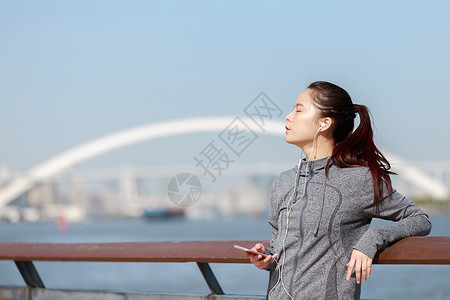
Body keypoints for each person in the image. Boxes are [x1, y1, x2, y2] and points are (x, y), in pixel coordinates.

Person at [244, 81, 432, 299]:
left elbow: (420, 219)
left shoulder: (358, 179)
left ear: (324, 124)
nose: (288, 116)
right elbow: (283, 250)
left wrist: (374, 238)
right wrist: (266, 258)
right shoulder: (283, 183)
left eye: (298, 109)